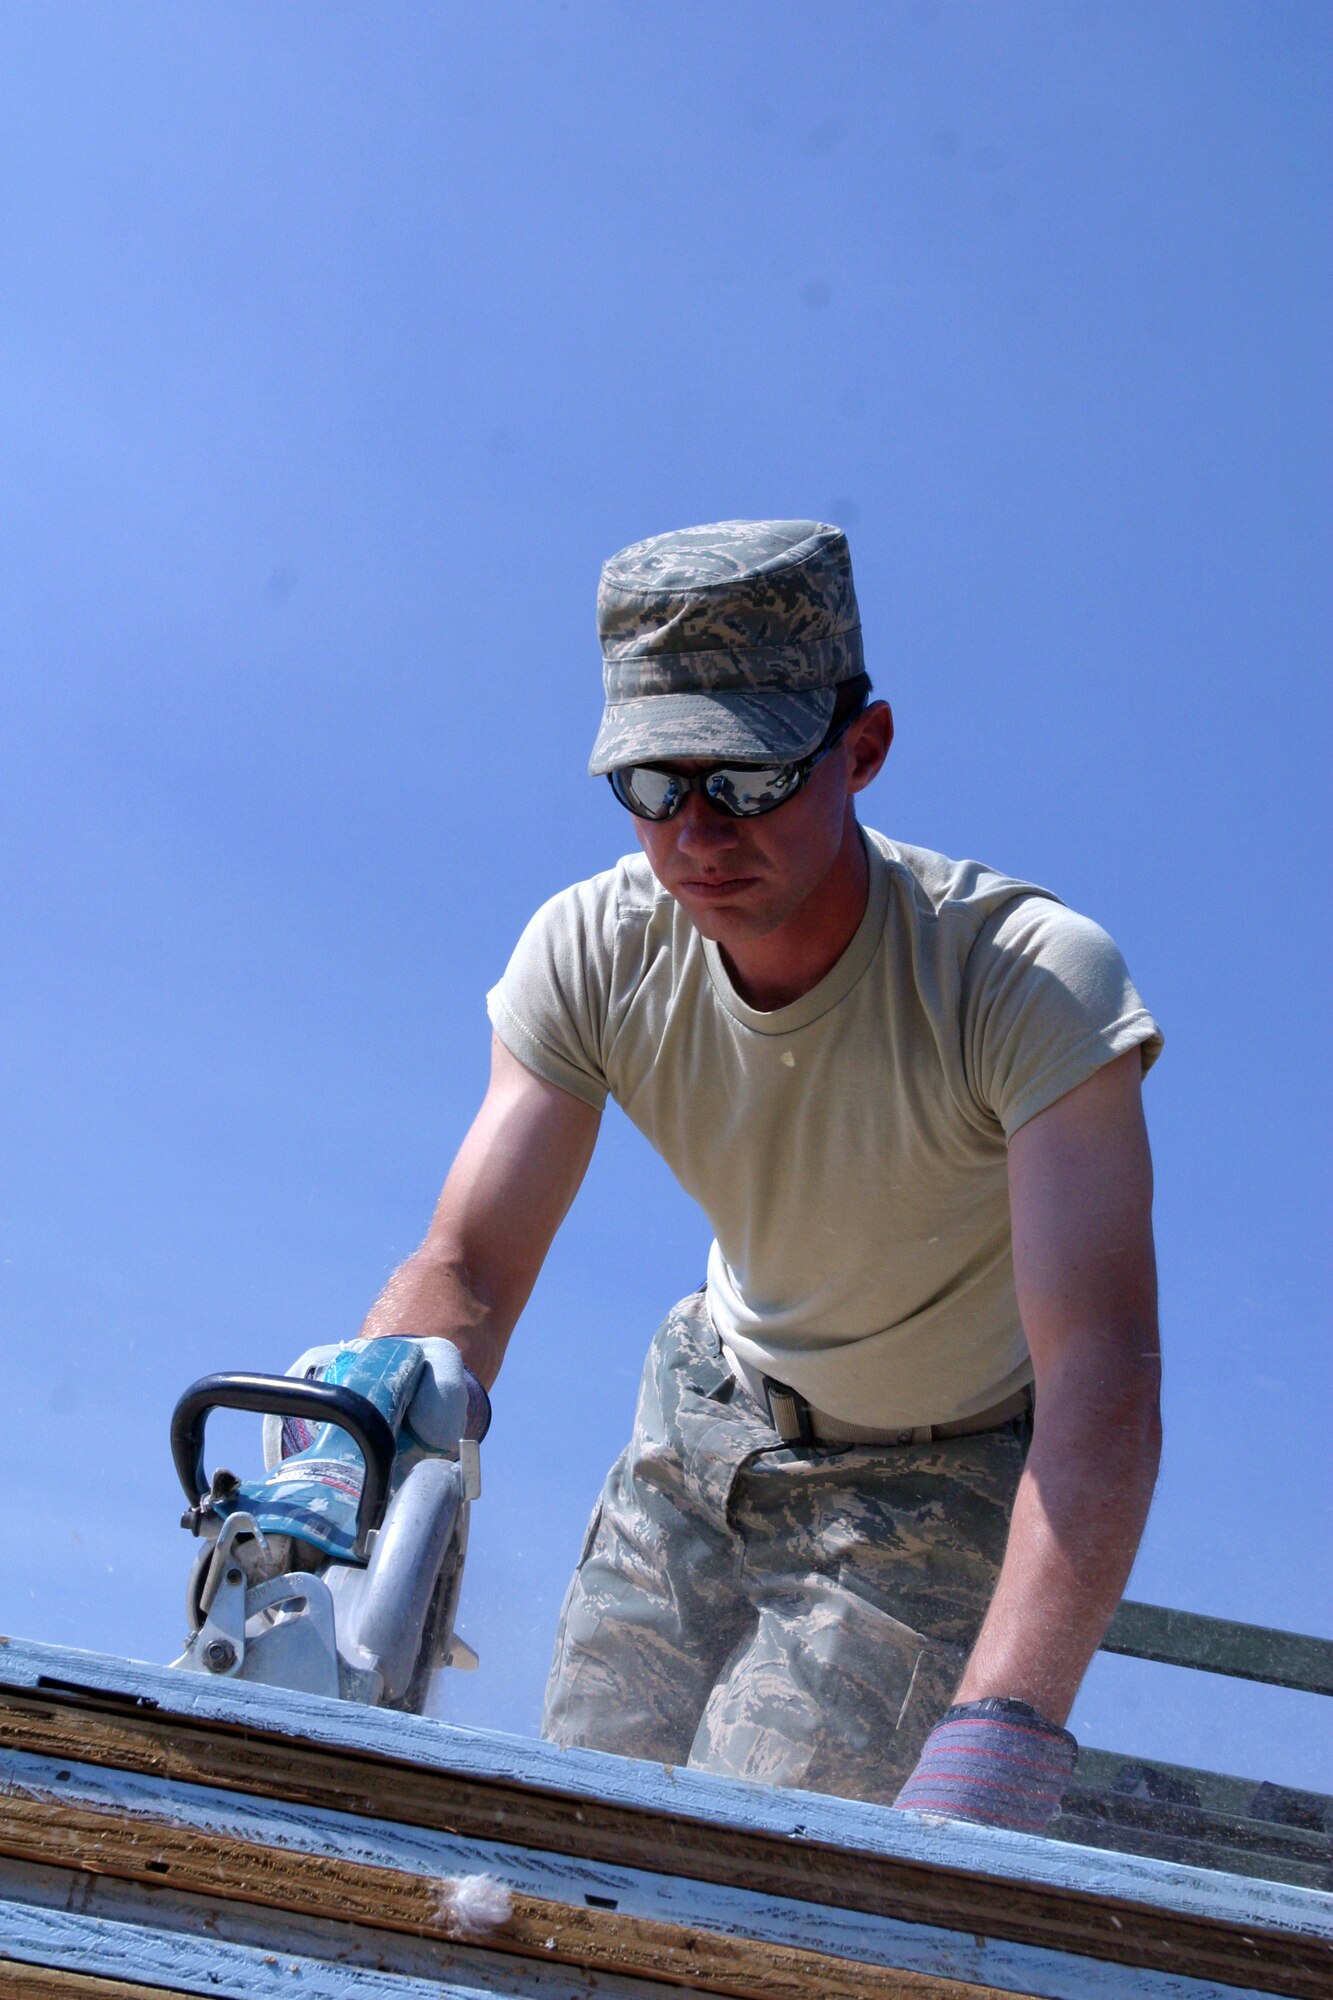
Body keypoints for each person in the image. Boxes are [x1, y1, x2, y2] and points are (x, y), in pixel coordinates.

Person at [357, 519, 1163, 1833]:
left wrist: (1006, 1718)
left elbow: (1103, 1375)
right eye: (650, 786)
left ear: (862, 749)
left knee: (736, 1876)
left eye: (742, 779)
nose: (694, 836)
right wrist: (350, 1454)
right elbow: (468, 1272)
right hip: (704, 1411)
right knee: (568, 1831)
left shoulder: (1024, 983)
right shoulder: (593, 947)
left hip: (930, 1468)